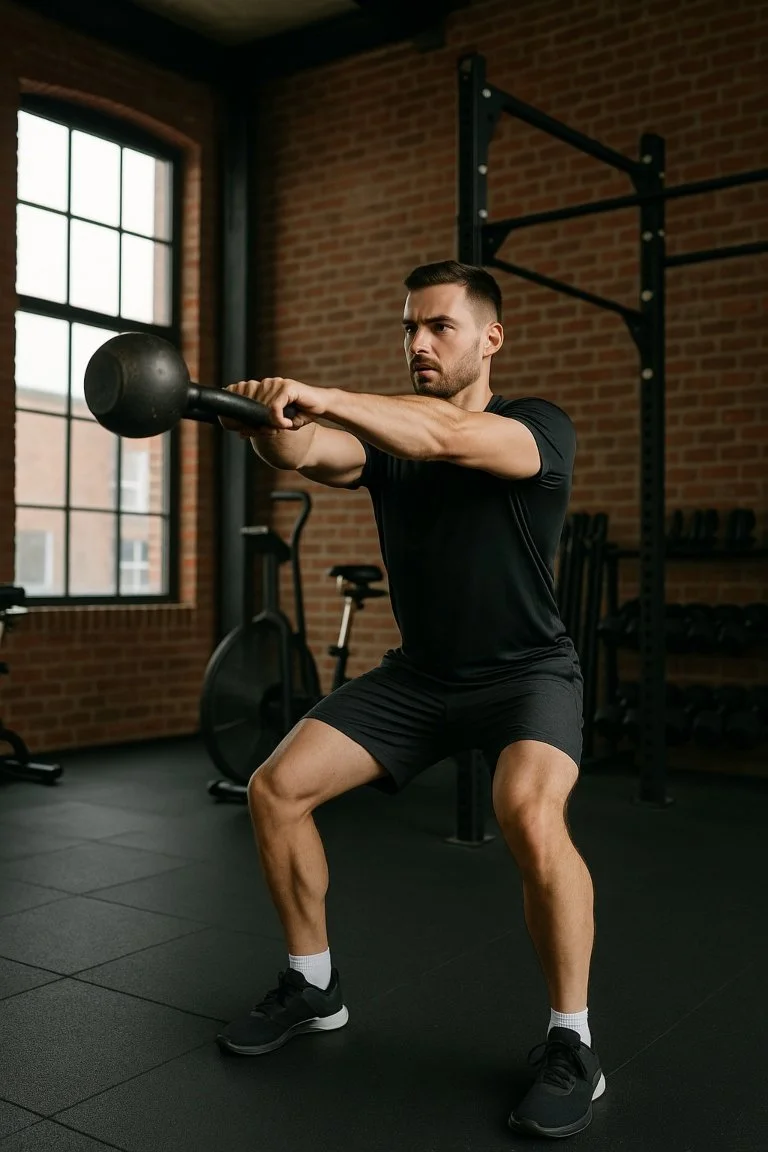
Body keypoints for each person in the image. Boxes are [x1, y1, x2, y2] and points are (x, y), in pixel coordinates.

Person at [216, 260, 605, 1139]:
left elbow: (438, 439)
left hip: (527, 675)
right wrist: (266, 419)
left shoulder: (535, 429)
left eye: (440, 327)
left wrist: (319, 391)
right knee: (274, 790)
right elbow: (314, 451)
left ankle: (572, 1041)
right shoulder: (387, 443)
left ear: (490, 338)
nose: (420, 343)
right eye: (409, 328)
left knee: (528, 812)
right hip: (421, 677)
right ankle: (313, 985)